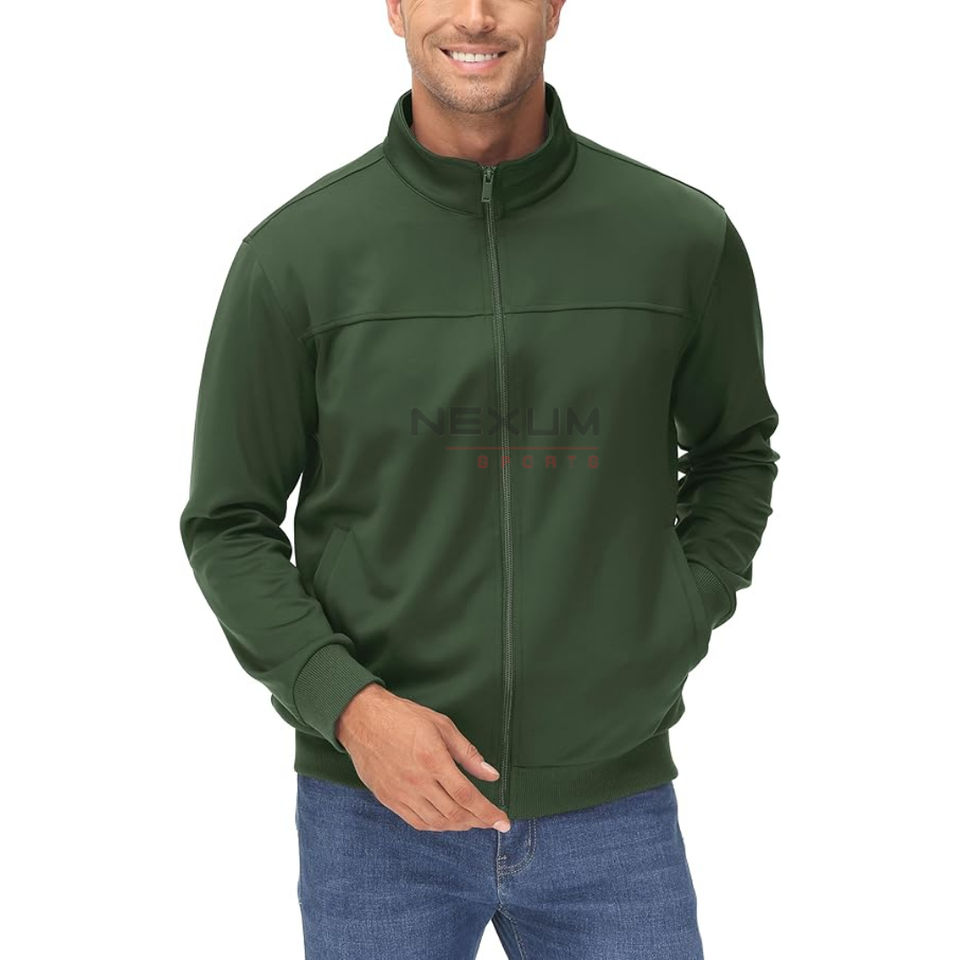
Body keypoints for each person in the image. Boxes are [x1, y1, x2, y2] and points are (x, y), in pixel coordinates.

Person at [179, 1, 780, 956]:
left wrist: (673, 614)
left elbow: (735, 453)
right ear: (395, 8)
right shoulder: (296, 256)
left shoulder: (678, 238)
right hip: (375, 809)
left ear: (554, 7)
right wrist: (349, 708)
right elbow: (229, 522)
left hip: (612, 807)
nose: (476, 15)